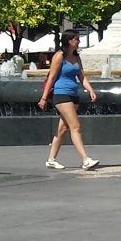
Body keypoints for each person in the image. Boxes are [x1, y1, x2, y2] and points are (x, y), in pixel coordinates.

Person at [39, 36, 99, 170]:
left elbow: (82, 77)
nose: (79, 41)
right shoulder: (59, 56)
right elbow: (52, 77)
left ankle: (51, 159)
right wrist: (43, 98)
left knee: (63, 129)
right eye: (76, 39)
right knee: (75, 126)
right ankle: (85, 160)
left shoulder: (76, 57)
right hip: (61, 94)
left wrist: (90, 90)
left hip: (73, 94)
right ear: (69, 41)